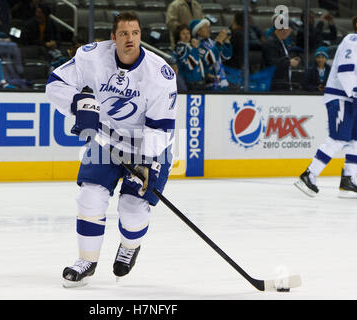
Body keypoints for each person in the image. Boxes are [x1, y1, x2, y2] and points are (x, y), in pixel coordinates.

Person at [45, 11, 177, 287]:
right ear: (113, 37)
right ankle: (87, 261)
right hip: (106, 142)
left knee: (132, 210)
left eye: (135, 33)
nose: (130, 39)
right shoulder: (91, 56)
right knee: (90, 198)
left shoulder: (159, 74)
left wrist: (141, 162)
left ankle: (129, 246)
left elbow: (162, 128)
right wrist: (80, 104)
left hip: (149, 147)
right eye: (124, 34)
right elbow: (55, 84)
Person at [294, 15, 357, 198]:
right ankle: (309, 174)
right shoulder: (353, 40)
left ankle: (349, 179)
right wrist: (355, 95)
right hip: (342, 97)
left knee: (356, 140)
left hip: (351, 98)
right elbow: (345, 72)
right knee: (338, 138)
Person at [189, 18, 231, 90]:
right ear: (198, 31)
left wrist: (226, 42)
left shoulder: (211, 42)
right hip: (208, 84)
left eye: (209, 27)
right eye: (205, 27)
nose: (209, 29)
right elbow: (209, 59)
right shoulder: (196, 45)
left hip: (221, 81)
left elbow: (226, 57)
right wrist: (219, 41)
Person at [262, 17, 301, 91]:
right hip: (274, 86)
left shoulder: (282, 42)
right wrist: (289, 62)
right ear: (284, 29)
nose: (290, 33)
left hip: (282, 84)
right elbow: (272, 63)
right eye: (290, 30)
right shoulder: (270, 43)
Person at [172, 24, 204, 91]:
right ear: (178, 35)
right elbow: (190, 65)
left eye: (188, 33)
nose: (186, 36)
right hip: (187, 83)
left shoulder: (189, 46)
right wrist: (195, 49)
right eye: (183, 33)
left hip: (196, 82)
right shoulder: (180, 48)